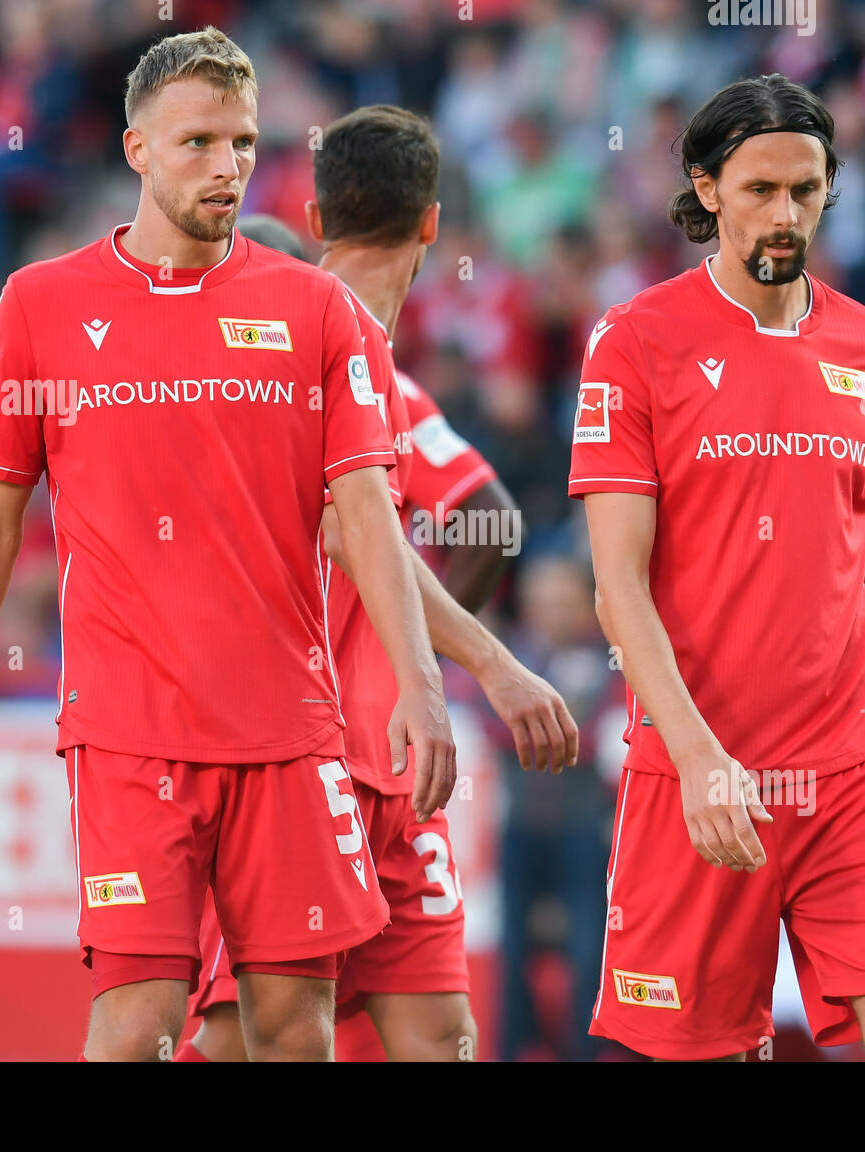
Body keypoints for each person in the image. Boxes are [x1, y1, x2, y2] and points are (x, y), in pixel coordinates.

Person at [0, 28, 456, 1063]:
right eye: (197, 141)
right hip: (127, 734)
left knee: (294, 1029)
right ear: (136, 151)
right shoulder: (41, 303)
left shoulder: (315, 309)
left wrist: (421, 689)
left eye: (243, 143)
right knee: (139, 1025)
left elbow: (367, 516)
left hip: (290, 733)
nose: (228, 166)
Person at [178, 106, 577, 1063]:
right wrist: (476, 662)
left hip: (390, 760)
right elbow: (400, 531)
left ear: (314, 221)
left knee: (437, 1033)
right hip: (298, 758)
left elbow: (435, 531)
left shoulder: (375, 368)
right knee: (258, 1039)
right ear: (433, 223)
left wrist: (414, 665)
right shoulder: (299, 362)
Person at [569, 73, 865, 1062]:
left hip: (853, 768)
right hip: (699, 768)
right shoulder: (634, 341)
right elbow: (618, 589)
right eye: (758, 190)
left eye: (805, 191)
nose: (784, 214)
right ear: (705, 191)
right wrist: (698, 759)